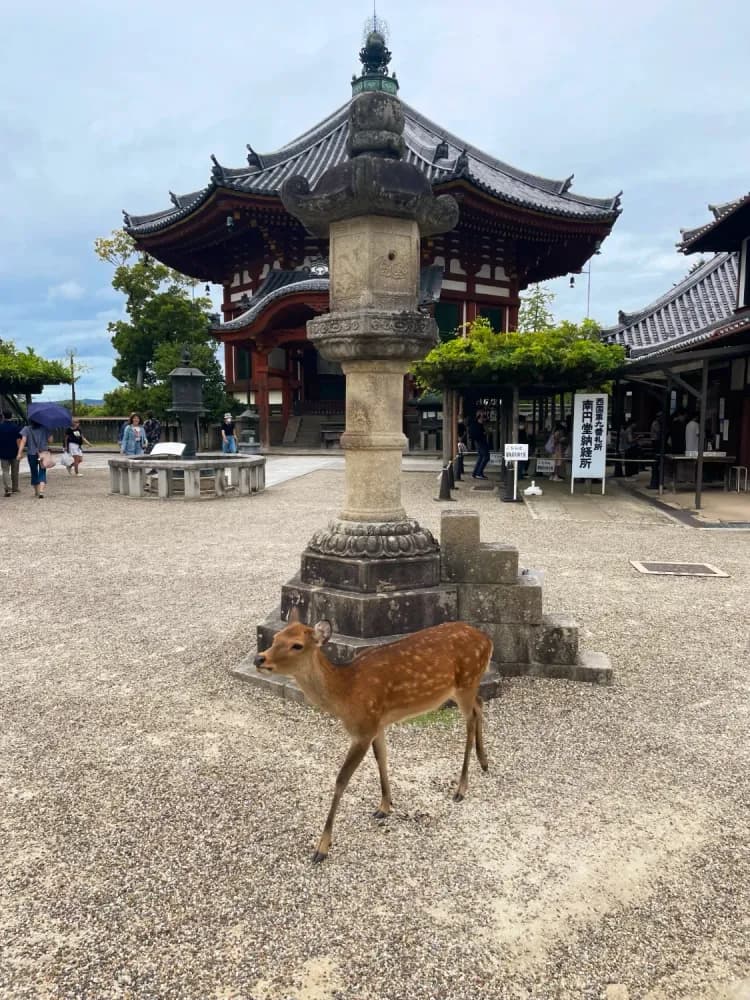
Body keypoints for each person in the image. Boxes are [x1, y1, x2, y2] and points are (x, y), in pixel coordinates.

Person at [16, 419, 53, 499]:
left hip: (31, 453)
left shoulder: (26, 429)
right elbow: (50, 441)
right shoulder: (45, 428)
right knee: (42, 471)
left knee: (34, 472)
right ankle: (42, 491)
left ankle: (37, 491)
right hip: (43, 453)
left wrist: (19, 453)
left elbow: (23, 441)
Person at [0, 410, 21, 497]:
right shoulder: (16, 427)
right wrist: (20, 451)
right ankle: (15, 488)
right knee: (15, 470)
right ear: (11, 416)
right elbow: (18, 440)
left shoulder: (0, 427)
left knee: (5, 470)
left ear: (3, 416)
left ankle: (8, 488)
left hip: (3, 451)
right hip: (15, 451)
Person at [468, 410, 490, 479]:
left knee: (481, 457)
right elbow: (480, 433)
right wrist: (484, 433)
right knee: (486, 457)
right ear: (480, 417)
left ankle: (475, 473)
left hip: (478, 442)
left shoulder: (476, 424)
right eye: (483, 416)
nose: (484, 418)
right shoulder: (477, 424)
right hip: (481, 442)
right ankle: (479, 473)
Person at [648, 411, 662, 489]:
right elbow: (658, 431)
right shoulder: (655, 423)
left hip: (656, 440)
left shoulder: (656, 423)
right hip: (655, 440)